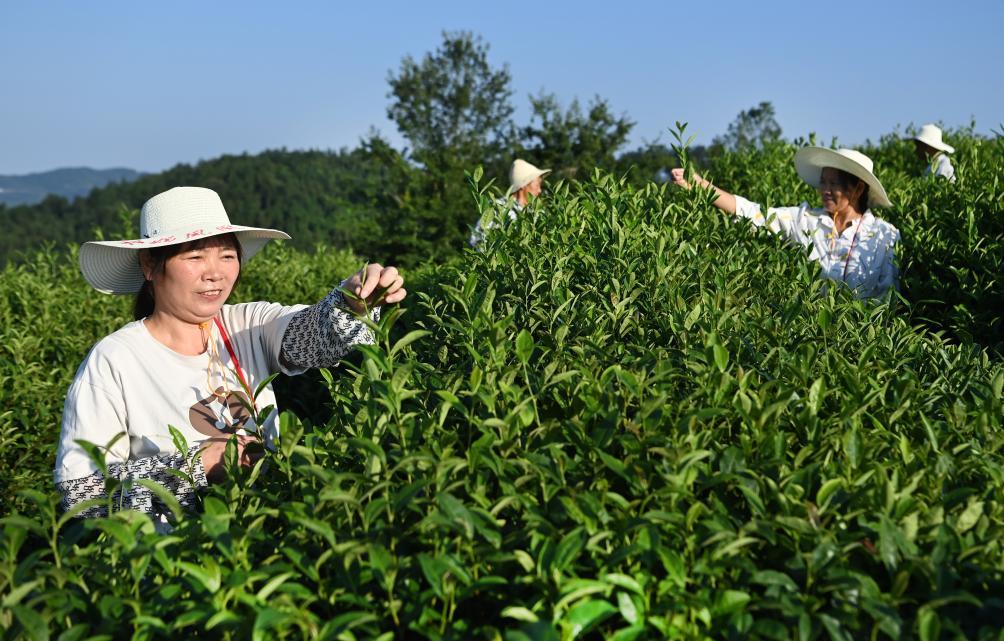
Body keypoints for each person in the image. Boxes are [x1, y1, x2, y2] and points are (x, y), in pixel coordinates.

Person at [54, 186, 406, 521]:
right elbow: (80, 497)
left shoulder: (247, 325)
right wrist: (198, 467)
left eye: (226, 255)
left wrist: (351, 302)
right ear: (149, 265)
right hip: (166, 556)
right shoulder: (116, 359)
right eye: (195, 256)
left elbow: (314, 335)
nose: (215, 273)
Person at [671, 147, 900, 300]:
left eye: (834, 184)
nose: (825, 190)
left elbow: (888, 295)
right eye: (823, 183)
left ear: (858, 188)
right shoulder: (805, 220)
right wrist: (700, 186)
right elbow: (754, 213)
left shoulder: (884, 234)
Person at [469, 159, 550, 247]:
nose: (540, 190)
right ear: (523, 185)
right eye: (537, 185)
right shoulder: (497, 207)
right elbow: (477, 241)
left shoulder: (538, 212)